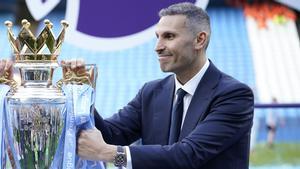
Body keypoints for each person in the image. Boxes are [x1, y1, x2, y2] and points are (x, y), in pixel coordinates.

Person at [2, 2, 254, 169]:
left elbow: (187, 155)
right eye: (157, 37)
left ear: (200, 39)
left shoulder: (233, 95)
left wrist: (110, 154)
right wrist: (80, 92)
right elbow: (110, 133)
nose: (158, 46)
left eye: (169, 36)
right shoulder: (152, 92)